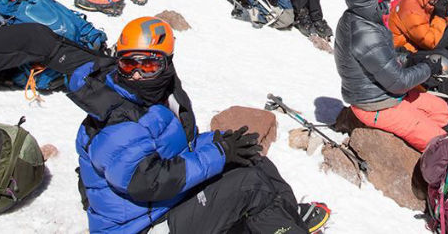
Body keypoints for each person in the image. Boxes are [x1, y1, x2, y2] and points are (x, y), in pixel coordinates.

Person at [68, 16, 330, 234]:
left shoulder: (158, 97)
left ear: (167, 61)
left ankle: (287, 219)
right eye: (128, 64)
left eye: (148, 64)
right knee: (248, 185)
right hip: (141, 226)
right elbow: (149, 182)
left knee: (254, 160)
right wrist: (219, 153)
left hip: (162, 207)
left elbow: (179, 150)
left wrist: (221, 143)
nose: (137, 74)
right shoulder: (116, 118)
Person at [334, 0, 448, 151]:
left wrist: (406, 58)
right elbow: (399, 82)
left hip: (382, 92)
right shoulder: (365, 32)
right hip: (376, 105)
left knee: (440, 109)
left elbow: (377, 59)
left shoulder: (360, 18)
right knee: (438, 142)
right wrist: (429, 68)